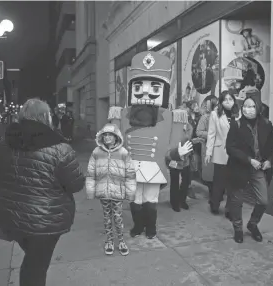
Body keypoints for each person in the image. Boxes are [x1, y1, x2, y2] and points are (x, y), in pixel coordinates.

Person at [0, 98, 85, 286]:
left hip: (11, 216)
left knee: (34, 261)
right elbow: (75, 184)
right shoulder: (60, 149)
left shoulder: (3, 144)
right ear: (46, 117)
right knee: (36, 267)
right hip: (45, 221)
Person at [108, 51, 191, 240]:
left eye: (154, 87)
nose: (145, 92)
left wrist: (178, 152)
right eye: (139, 86)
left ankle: (151, 228)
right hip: (132, 165)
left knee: (150, 199)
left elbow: (173, 145)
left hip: (154, 167)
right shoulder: (123, 113)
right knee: (135, 198)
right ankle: (138, 226)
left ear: (164, 90)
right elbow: (115, 140)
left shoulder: (171, 116)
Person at [226, 94, 273, 243]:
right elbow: (230, 148)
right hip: (240, 167)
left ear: (258, 108)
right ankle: (237, 228)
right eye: (245, 106)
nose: (248, 109)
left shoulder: (267, 124)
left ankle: (252, 224)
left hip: (260, 168)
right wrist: (249, 160)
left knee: (263, 201)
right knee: (237, 200)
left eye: (252, 106)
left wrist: (270, 161)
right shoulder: (236, 125)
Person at [86, 123, 136, 256]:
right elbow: (91, 172)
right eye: (105, 135)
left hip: (117, 192)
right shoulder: (96, 152)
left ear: (116, 137)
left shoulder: (123, 153)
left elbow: (130, 174)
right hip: (103, 192)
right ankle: (109, 241)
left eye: (110, 135)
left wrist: (130, 193)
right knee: (107, 217)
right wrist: (91, 190)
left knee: (118, 217)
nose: (107, 137)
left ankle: (121, 241)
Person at [205, 90, 239, 218]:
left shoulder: (239, 114)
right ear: (221, 101)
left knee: (232, 182)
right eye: (225, 99)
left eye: (230, 99)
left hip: (235, 154)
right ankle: (214, 204)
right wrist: (208, 152)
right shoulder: (215, 114)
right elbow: (211, 134)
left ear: (234, 101)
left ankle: (229, 209)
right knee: (219, 181)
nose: (228, 102)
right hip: (220, 151)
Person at [196, 96, 218, 203]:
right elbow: (199, 132)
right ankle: (212, 196)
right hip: (208, 148)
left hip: (219, 150)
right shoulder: (205, 118)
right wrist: (212, 134)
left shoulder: (221, 117)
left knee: (218, 174)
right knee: (210, 175)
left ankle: (216, 195)